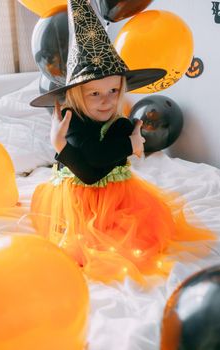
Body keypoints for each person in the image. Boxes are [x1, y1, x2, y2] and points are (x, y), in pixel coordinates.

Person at [30, 0, 215, 284]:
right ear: (77, 96)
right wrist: (63, 146)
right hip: (77, 200)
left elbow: (102, 162)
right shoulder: (72, 121)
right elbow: (90, 173)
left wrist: (123, 144)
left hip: (117, 197)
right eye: (94, 94)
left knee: (138, 238)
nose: (107, 101)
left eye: (114, 91)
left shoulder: (120, 122)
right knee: (82, 246)